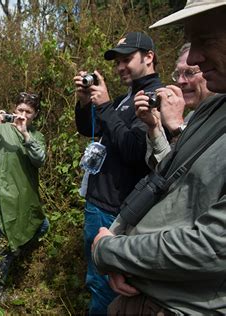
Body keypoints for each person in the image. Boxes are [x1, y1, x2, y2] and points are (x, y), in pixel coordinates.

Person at [91, 1, 226, 314]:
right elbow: (166, 178)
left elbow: (211, 246)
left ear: (148, 58)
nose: (190, 63)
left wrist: (113, 251)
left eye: (205, 40)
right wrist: (117, 239)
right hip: (138, 281)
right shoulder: (214, 107)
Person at [73, 31, 163, 315]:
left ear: (149, 57)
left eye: (127, 60)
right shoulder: (129, 97)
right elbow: (90, 129)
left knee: (105, 289)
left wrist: (106, 106)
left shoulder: (152, 98)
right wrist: (86, 102)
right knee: (98, 282)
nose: (120, 67)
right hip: (101, 203)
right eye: (116, 62)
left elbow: (136, 153)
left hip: (115, 210)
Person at [0, 92, 49, 297]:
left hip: (23, 200)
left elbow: (40, 159)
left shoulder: (36, 136)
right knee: (5, 246)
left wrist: (25, 135)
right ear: (13, 109)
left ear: (35, 114)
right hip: (0, 199)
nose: (22, 115)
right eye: (19, 110)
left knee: (42, 225)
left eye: (28, 112)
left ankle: (16, 252)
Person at [134, 42, 215, 168]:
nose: (181, 81)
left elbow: (207, 175)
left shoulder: (220, 119)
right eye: (178, 74)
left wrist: (178, 128)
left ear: (210, 71)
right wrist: (155, 127)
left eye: (189, 72)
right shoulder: (192, 117)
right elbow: (167, 170)